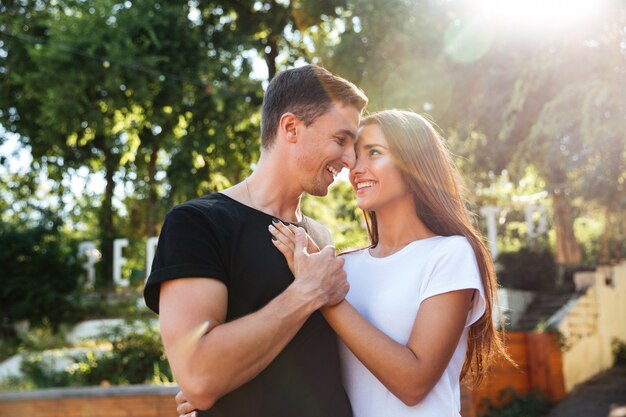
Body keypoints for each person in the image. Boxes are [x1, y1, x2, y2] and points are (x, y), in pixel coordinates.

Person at [143, 64, 368, 417]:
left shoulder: (321, 237)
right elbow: (199, 377)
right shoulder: (197, 224)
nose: (350, 160)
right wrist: (307, 292)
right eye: (341, 140)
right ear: (291, 128)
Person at [268, 110, 509, 417]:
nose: (355, 169)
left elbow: (414, 384)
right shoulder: (343, 266)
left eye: (375, 153)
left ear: (415, 165)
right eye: (355, 156)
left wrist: (324, 293)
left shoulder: (449, 254)